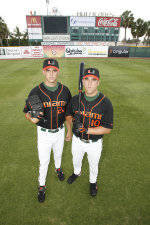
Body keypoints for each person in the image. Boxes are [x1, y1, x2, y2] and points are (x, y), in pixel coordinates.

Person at [23, 58, 72, 203]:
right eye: (48, 70)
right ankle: (41, 185)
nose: (51, 74)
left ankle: (58, 169)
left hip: (60, 130)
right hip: (44, 133)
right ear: (43, 72)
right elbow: (27, 111)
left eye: (54, 70)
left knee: (58, 154)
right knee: (44, 162)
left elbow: (68, 114)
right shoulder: (36, 91)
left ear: (58, 71)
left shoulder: (65, 90)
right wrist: (30, 118)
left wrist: (69, 130)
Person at [66, 67, 113, 197]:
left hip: (94, 143)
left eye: (93, 80)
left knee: (93, 165)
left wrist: (87, 129)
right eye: (86, 79)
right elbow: (68, 115)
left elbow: (107, 128)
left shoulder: (105, 103)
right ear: (82, 82)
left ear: (98, 82)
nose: (90, 83)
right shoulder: (75, 100)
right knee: (76, 160)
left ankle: (93, 182)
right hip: (77, 140)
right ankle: (77, 172)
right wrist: (70, 128)